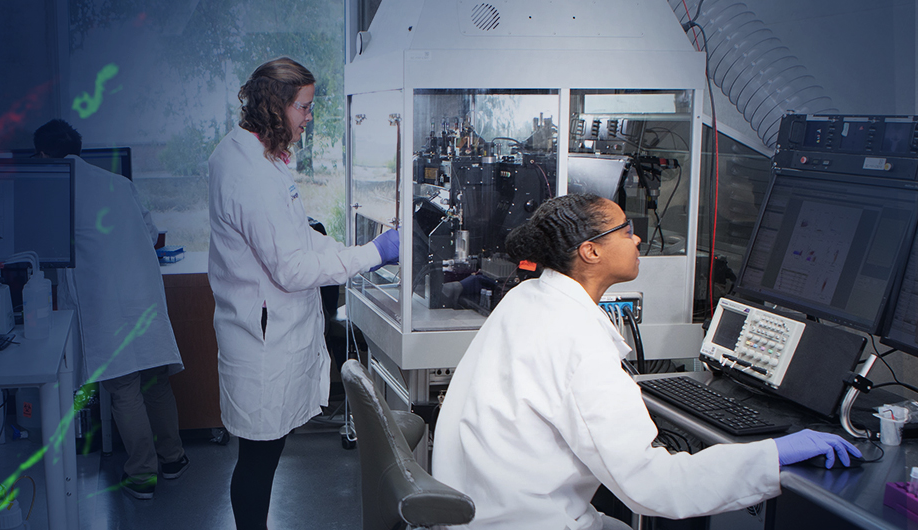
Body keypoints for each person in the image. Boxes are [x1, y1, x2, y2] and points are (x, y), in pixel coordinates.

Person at [429, 193, 862, 530]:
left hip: (481, 511)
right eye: (625, 230)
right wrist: (773, 454)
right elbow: (655, 488)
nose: (636, 239)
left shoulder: (528, 297)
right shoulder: (577, 340)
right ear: (590, 252)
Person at [207, 57, 400, 529]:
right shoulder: (249, 172)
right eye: (303, 107)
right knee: (257, 459)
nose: (308, 118)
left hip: (263, 329)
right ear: (276, 106)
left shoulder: (257, 156)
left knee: (261, 455)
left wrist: (355, 250)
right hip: (262, 341)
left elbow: (299, 234)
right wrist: (372, 255)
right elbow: (292, 268)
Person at [33, 119, 189, 500]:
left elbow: (47, 250)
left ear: (42, 155)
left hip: (105, 306)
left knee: (123, 389)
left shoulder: (56, 190)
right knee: (155, 382)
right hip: (143, 299)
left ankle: (141, 475)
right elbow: (151, 236)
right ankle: (173, 459)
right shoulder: (120, 183)